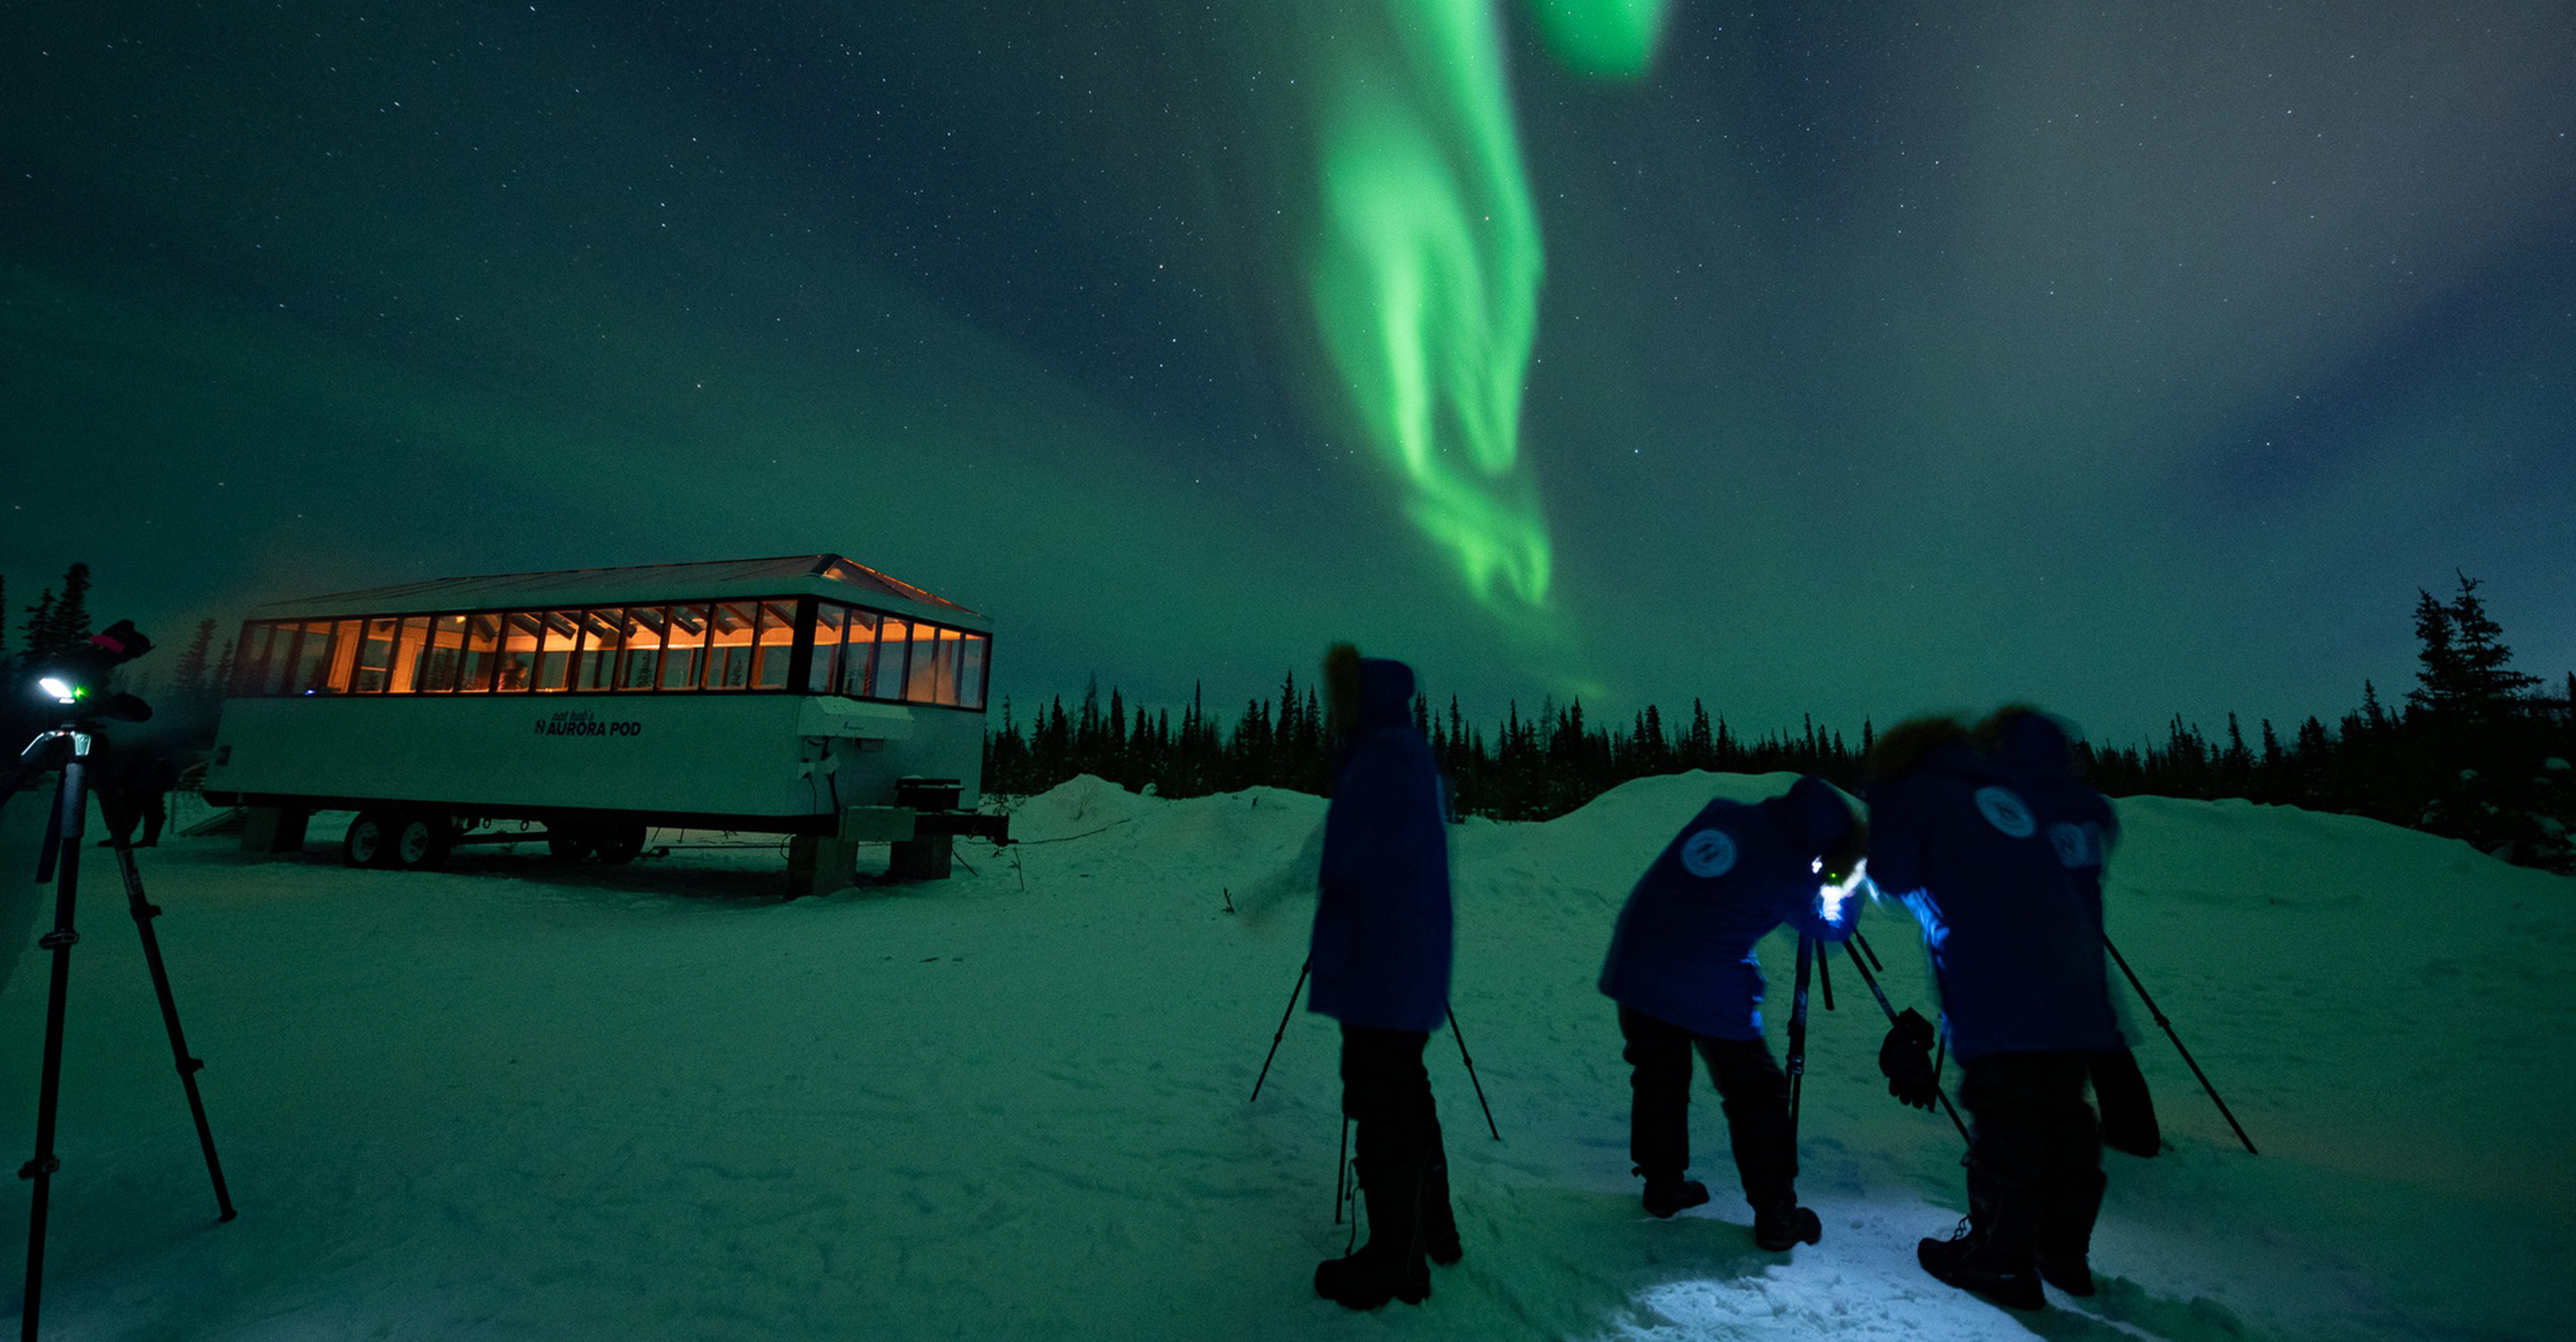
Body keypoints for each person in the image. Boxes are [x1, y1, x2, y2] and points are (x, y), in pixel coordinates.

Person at [1865, 710, 2124, 1311]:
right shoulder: (2002, 791)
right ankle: (2062, 1251)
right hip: (2074, 974)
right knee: (2063, 1113)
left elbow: (1891, 871)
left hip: (1999, 980)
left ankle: (2000, 1258)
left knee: (2006, 1115)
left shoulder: (1909, 791)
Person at [1597, 775, 1864, 1250]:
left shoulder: (1724, 814)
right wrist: (1846, 879)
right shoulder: (1787, 866)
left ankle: (1662, 1184)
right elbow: (1830, 928)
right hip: (1704, 978)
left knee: (1659, 1074)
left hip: (1637, 957)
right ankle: (1777, 1213)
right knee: (1755, 1092)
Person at [1306, 644, 1458, 1311]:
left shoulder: (1380, 760)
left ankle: (1395, 1261)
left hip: (1382, 968)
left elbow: (1354, 865)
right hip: (1401, 964)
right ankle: (1433, 1233)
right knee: (1406, 1097)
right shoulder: (1404, 752)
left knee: (1383, 1109)